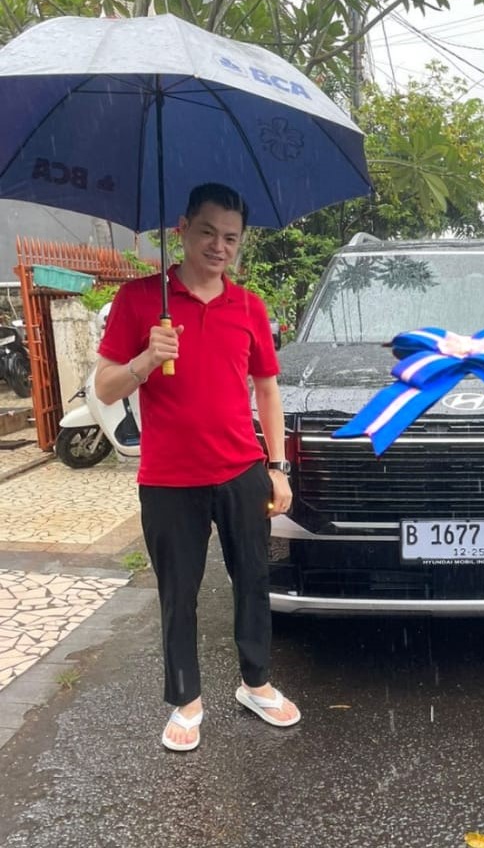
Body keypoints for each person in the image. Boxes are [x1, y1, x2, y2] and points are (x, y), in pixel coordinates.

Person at [96, 182, 300, 752]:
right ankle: (186, 700)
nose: (218, 246)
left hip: (241, 471)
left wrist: (277, 467)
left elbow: (267, 390)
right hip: (168, 479)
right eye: (207, 232)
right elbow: (104, 388)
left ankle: (255, 683)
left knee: (253, 581)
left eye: (231, 237)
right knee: (178, 593)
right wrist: (146, 358)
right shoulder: (140, 299)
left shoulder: (249, 307)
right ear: (181, 229)